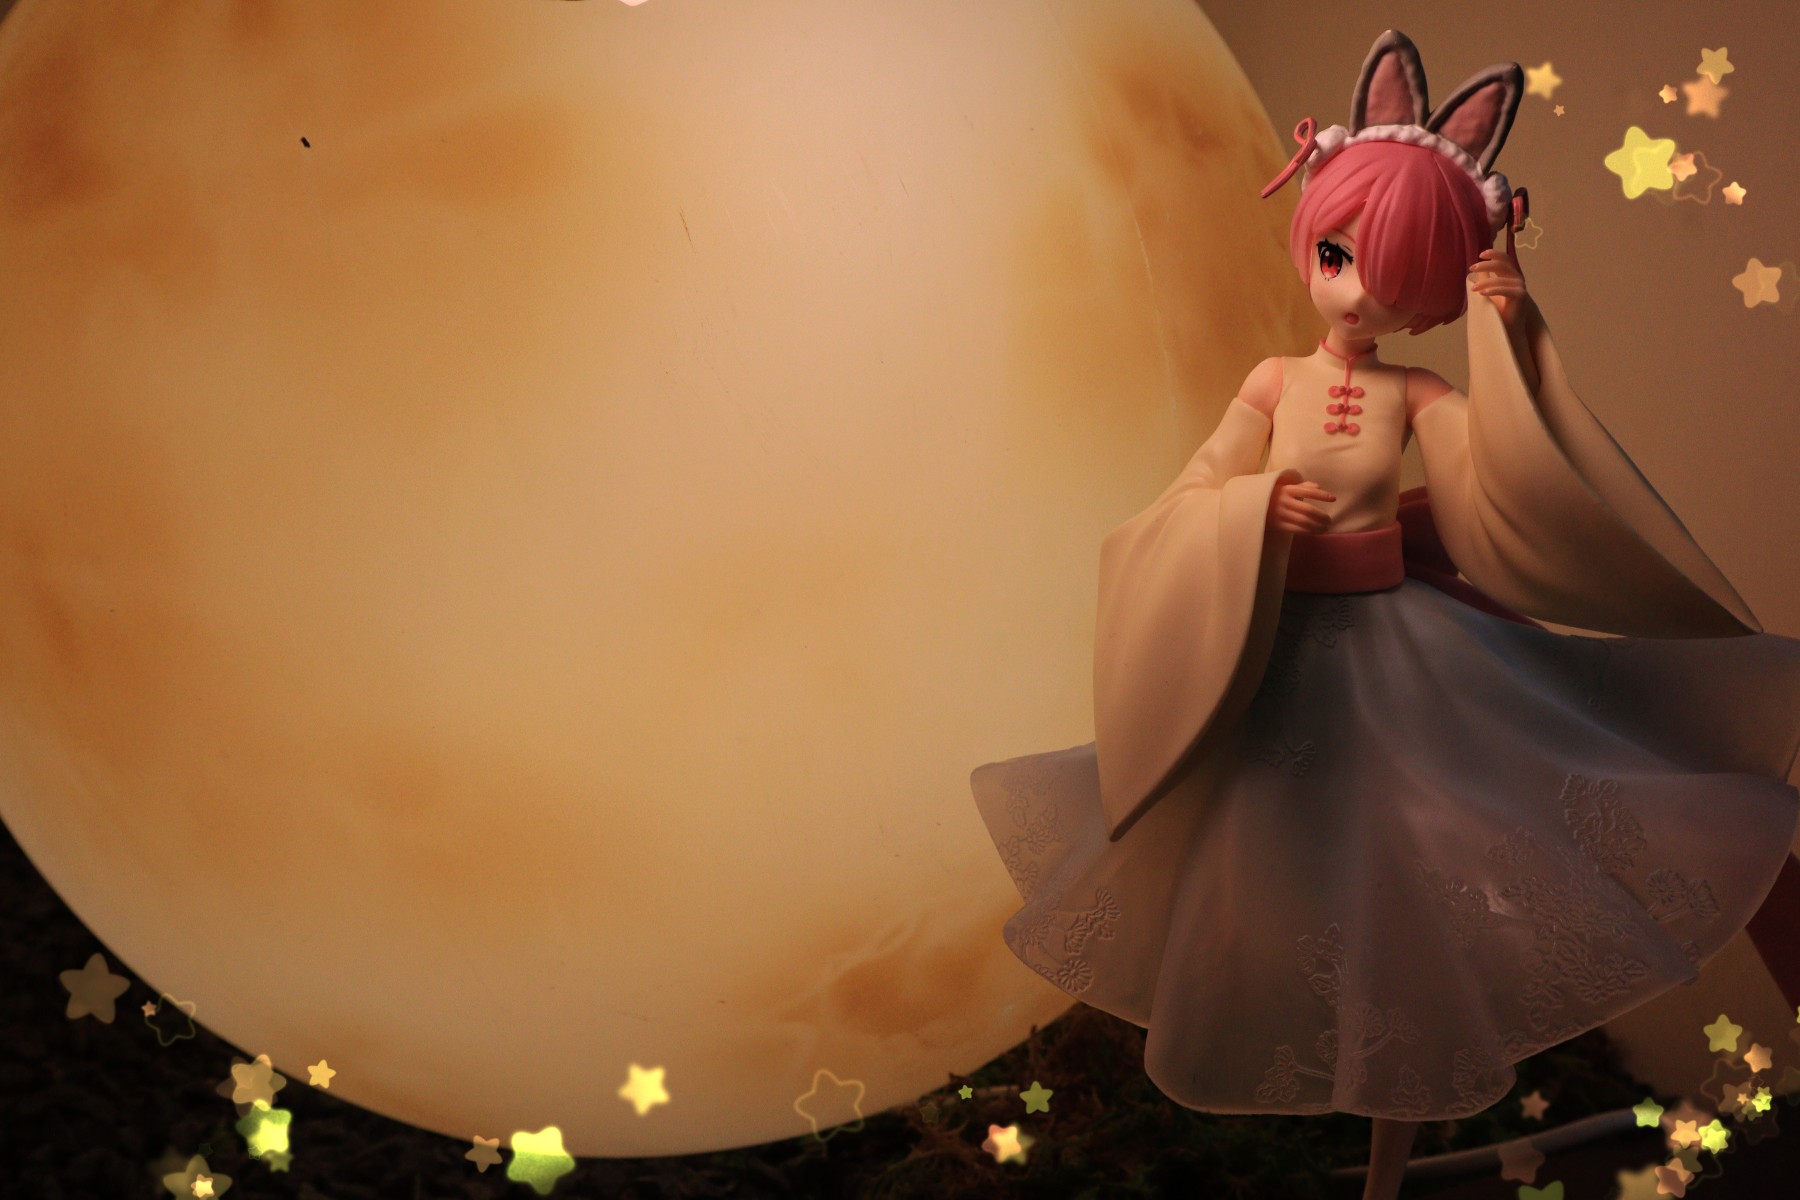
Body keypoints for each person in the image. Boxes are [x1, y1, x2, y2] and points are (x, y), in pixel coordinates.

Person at [968, 29, 1800, 1200]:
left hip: (1407, 664)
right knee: (1264, 884)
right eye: (1339, 255)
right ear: (1311, 239)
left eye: (1395, 279)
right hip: (1279, 666)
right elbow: (1183, 498)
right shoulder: (1272, 384)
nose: (1358, 291)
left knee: (1416, 919)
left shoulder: (1420, 393)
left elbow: (1510, 471)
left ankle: (1387, 1173)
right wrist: (1254, 511)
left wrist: (1511, 326)